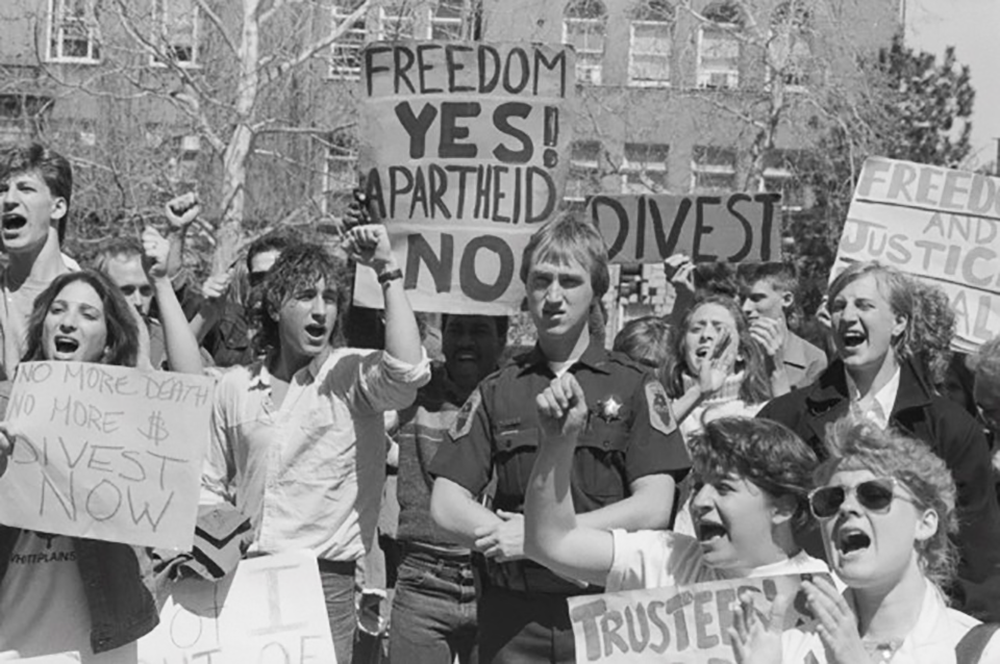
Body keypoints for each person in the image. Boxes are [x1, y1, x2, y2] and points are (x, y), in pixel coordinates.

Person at [429, 213, 690, 664]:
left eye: (569, 282)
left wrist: (536, 538)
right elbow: (446, 505)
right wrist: (507, 536)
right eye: (540, 280)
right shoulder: (499, 388)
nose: (553, 297)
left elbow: (654, 507)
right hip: (512, 619)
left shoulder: (635, 386)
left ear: (596, 292)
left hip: (610, 613)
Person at [202, 228, 429, 664]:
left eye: (330, 299)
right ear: (274, 306)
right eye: (306, 296)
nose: (321, 310)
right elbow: (209, 482)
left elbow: (407, 373)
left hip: (324, 583)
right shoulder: (235, 386)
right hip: (244, 573)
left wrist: (387, 271)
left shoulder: (348, 378)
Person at [758, 261, 1000, 620]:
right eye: (838, 306)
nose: (846, 316)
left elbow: (976, 551)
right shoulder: (785, 418)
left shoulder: (950, 427)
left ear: (899, 322)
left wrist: (966, 638)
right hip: (810, 617)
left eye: (864, 306)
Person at [731, 419, 1000, 664]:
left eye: (874, 494)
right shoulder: (788, 650)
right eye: (831, 499)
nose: (847, 508)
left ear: (925, 523)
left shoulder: (983, 650)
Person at [0, 270, 158, 662]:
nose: (69, 322)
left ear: (108, 342)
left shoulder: (134, 415)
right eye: (58, 310)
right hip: (13, 641)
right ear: (42, 328)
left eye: (89, 314)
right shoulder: (4, 405)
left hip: (102, 642)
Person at [523, 413, 827, 592]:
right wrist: (557, 442)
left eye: (723, 488)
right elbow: (551, 542)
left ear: (783, 507)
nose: (701, 502)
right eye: (698, 486)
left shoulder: (827, 596)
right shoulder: (667, 559)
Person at [389, 313, 508, 664]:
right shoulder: (416, 387)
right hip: (422, 579)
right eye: (457, 329)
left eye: (480, 330)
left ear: (502, 338)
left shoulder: (520, 392)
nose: (466, 341)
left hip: (500, 583)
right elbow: (396, 350)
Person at [0, 143, 77, 380]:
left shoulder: (92, 300)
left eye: (26, 189)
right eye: (2, 189)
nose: (9, 199)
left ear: (57, 207)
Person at [93, 230, 202, 374]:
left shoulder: (171, 341)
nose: (138, 301)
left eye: (146, 291)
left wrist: (160, 280)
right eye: (126, 291)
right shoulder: (85, 334)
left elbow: (193, 381)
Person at [191, 229, 299, 368]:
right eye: (258, 278)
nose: (266, 284)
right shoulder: (231, 325)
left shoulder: (314, 325)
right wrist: (209, 310)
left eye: (275, 274)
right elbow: (179, 355)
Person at [740, 261, 828, 390]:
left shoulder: (813, 360)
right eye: (742, 298)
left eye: (757, 298)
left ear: (786, 300)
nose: (745, 308)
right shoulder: (734, 353)